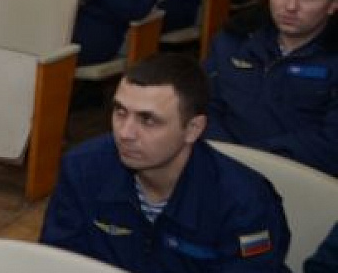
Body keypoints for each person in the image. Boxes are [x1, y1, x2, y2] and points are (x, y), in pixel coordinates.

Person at [41, 53, 291, 272]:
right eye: (120, 112)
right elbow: (57, 262)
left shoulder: (245, 202)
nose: (125, 133)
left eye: (148, 120)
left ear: (193, 128)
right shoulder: (82, 169)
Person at [205, 0, 338, 177]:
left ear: (333, 3)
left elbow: (330, 143)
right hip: (220, 169)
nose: (291, 6)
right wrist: (226, 157)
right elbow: (201, 105)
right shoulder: (234, 39)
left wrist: (254, 159)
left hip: (301, 181)